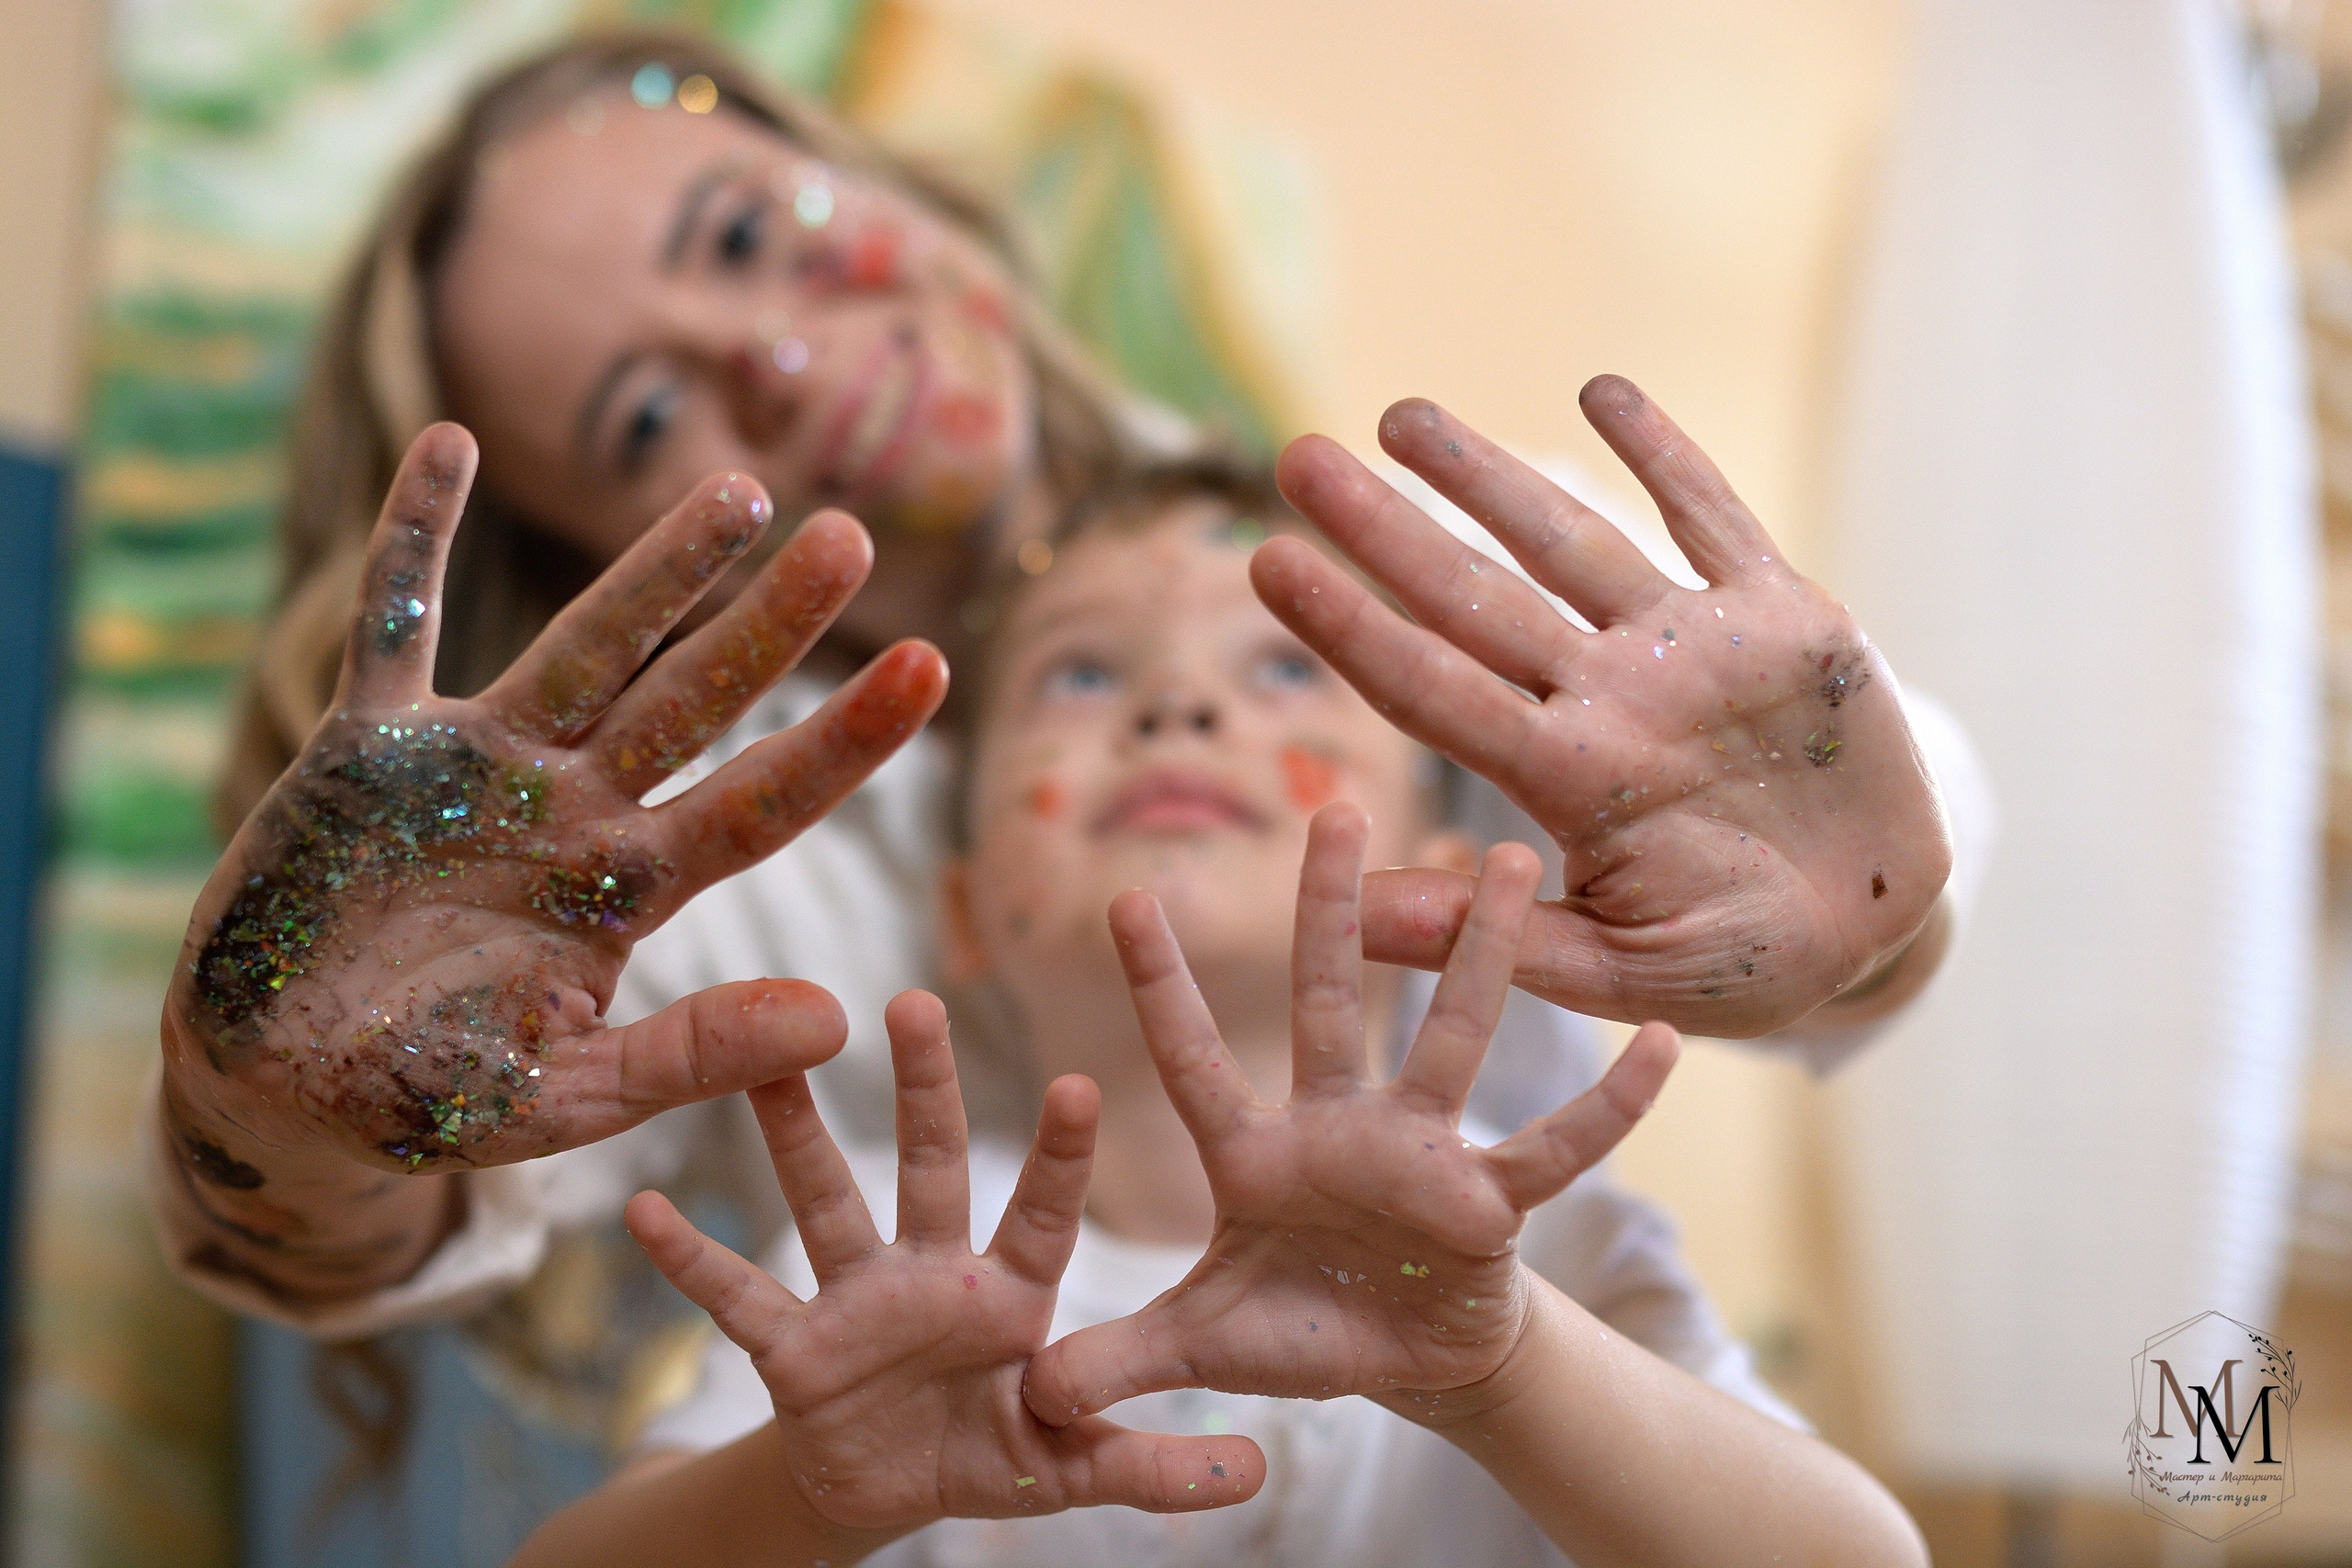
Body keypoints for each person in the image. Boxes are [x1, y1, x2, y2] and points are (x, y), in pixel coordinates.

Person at [146, 31, 1966, 1359]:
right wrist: (279, 1113)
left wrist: (1862, 907)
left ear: (878, 178)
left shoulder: (1330, 552)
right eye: (644, 418)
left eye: (739, 231)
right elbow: (391, 1219)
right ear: (606, 559)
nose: (776, 354)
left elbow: (1788, 930)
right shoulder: (718, 864)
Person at [509, 469, 1927, 1567]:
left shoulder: (1532, 1233)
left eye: (1283, 670)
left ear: (1436, 857)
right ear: (966, 905)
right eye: (1080, 673)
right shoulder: (886, 1256)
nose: (1178, 706)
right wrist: (804, 1487)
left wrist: (1499, 1361)